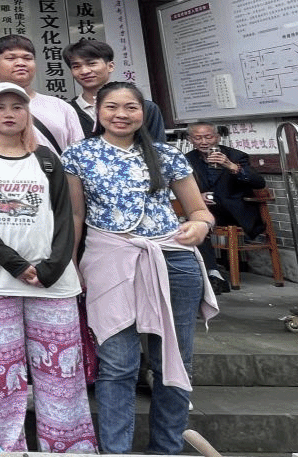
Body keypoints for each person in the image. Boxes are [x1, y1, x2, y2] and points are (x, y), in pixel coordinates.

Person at [61, 82, 219, 454]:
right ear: (98, 111)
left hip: (172, 260)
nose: (121, 114)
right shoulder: (78, 155)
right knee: (117, 363)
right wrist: (71, 265)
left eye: (130, 107)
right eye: (112, 106)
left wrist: (200, 226)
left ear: (143, 112)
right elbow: (75, 215)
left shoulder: (166, 155)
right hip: (108, 262)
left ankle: (167, 448)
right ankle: (115, 451)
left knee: (173, 362)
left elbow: (199, 211)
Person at [0, 82, 95, 453]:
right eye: (0, 107)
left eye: (17, 106)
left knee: (61, 377)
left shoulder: (46, 158)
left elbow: (65, 215)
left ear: (27, 113)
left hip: (52, 283)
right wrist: (16, 264)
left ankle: (67, 448)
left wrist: (53, 266)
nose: (9, 113)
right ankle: (2, 450)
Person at [0, 35, 84, 160]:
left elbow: (79, 159)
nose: (21, 63)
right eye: (11, 58)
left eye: (27, 58)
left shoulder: (61, 107)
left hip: (53, 177)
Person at [185, 122, 266, 294]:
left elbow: (259, 183)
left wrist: (232, 166)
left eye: (208, 137)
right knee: (197, 223)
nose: (204, 142)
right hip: (207, 211)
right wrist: (198, 196)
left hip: (234, 212)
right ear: (190, 140)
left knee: (200, 220)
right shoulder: (187, 159)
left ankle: (212, 274)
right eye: (198, 138)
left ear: (217, 137)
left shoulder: (236, 156)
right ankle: (213, 274)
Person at [63, 39, 165, 142]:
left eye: (91, 64)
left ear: (110, 66)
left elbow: (157, 148)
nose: (84, 71)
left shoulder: (146, 108)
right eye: (76, 66)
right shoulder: (65, 111)